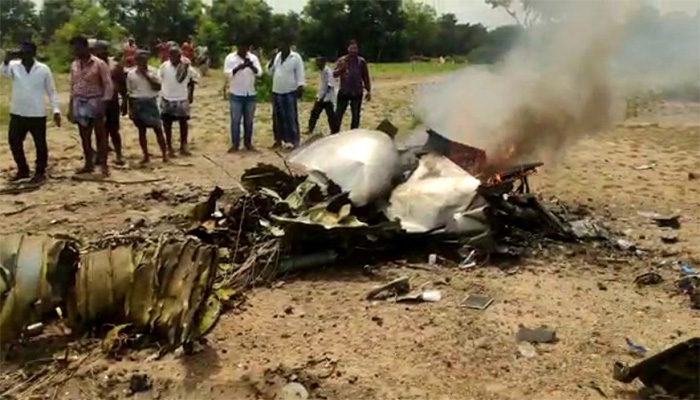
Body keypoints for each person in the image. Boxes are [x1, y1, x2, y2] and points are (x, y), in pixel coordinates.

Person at [1, 41, 61, 183]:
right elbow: (2, 74)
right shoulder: (14, 66)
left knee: (40, 144)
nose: (24, 55)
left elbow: (51, 91)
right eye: (22, 52)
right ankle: (23, 169)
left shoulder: (43, 69)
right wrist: (6, 60)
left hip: (36, 113)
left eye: (27, 52)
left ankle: (40, 172)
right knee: (14, 142)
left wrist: (56, 110)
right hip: (17, 112)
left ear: (33, 53)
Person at [68, 35, 113, 177]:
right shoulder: (74, 64)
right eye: (74, 48)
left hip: (95, 102)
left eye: (78, 48)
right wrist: (71, 106)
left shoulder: (99, 64)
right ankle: (88, 164)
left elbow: (107, 84)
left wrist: (104, 102)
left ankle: (104, 165)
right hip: (79, 102)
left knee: (100, 135)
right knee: (84, 135)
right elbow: (72, 86)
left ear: (86, 47)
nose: (76, 51)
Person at [127, 50, 168, 164]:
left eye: (144, 60)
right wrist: (130, 109)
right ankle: (145, 155)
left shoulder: (154, 71)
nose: (141, 62)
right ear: (136, 60)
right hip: (137, 102)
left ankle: (164, 154)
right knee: (141, 131)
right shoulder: (131, 74)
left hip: (150, 101)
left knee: (158, 129)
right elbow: (130, 92)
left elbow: (157, 87)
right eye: (139, 60)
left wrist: (146, 75)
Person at [159, 45, 199, 156]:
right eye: (171, 55)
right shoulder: (164, 66)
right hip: (167, 98)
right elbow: (159, 80)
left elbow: (195, 78)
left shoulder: (186, 67)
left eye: (176, 55)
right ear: (169, 55)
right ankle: (169, 147)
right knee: (167, 124)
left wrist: (191, 93)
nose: (173, 57)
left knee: (183, 123)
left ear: (179, 56)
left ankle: (183, 146)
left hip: (181, 98)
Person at [92, 40, 127, 165]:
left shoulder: (115, 66)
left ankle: (118, 154)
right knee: (99, 131)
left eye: (102, 51)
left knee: (113, 130)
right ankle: (101, 155)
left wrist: (125, 102)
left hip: (112, 103)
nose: (100, 54)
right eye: (97, 52)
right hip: (97, 102)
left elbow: (123, 85)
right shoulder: (92, 65)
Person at [223, 43, 262, 152]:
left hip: (250, 93)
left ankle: (248, 143)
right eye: (242, 47)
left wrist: (250, 66)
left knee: (249, 121)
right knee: (235, 121)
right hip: (236, 93)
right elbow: (227, 74)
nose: (244, 50)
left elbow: (259, 73)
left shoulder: (253, 58)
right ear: (237, 47)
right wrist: (240, 67)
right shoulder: (230, 58)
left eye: (246, 48)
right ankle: (235, 144)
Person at [268, 35, 305, 148]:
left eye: (283, 44)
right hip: (277, 90)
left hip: (290, 91)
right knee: (277, 118)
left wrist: (300, 87)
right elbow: (270, 72)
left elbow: (300, 73)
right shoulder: (277, 57)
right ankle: (278, 140)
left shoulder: (296, 57)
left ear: (288, 45)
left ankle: (294, 141)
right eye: (279, 44)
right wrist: (272, 59)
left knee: (291, 117)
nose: (280, 46)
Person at [334, 40, 371, 130]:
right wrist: (341, 69)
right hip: (344, 91)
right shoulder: (342, 60)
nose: (353, 50)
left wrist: (368, 90)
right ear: (348, 49)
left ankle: (354, 134)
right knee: (338, 114)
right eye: (351, 48)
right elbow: (334, 74)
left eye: (355, 48)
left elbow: (365, 77)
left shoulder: (361, 62)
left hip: (357, 92)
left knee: (356, 114)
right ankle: (334, 132)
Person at [308, 56, 338, 135]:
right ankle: (310, 128)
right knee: (315, 113)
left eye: (319, 62)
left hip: (327, 98)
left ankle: (334, 131)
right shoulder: (322, 71)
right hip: (321, 96)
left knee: (330, 116)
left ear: (324, 63)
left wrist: (322, 97)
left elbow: (329, 85)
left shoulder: (327, 72)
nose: (318, 64)